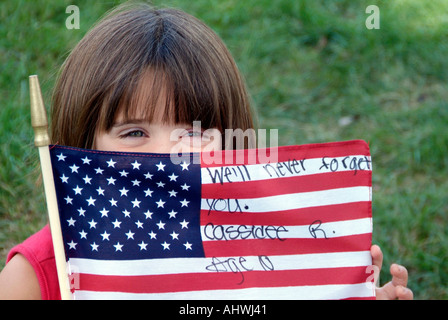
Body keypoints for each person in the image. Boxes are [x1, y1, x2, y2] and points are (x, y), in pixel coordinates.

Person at [0, 3, 412, 300]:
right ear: (81, 146)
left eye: (193, 131)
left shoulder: (261, 255)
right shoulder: (35, 278)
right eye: (133, 133)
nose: (166, 154)